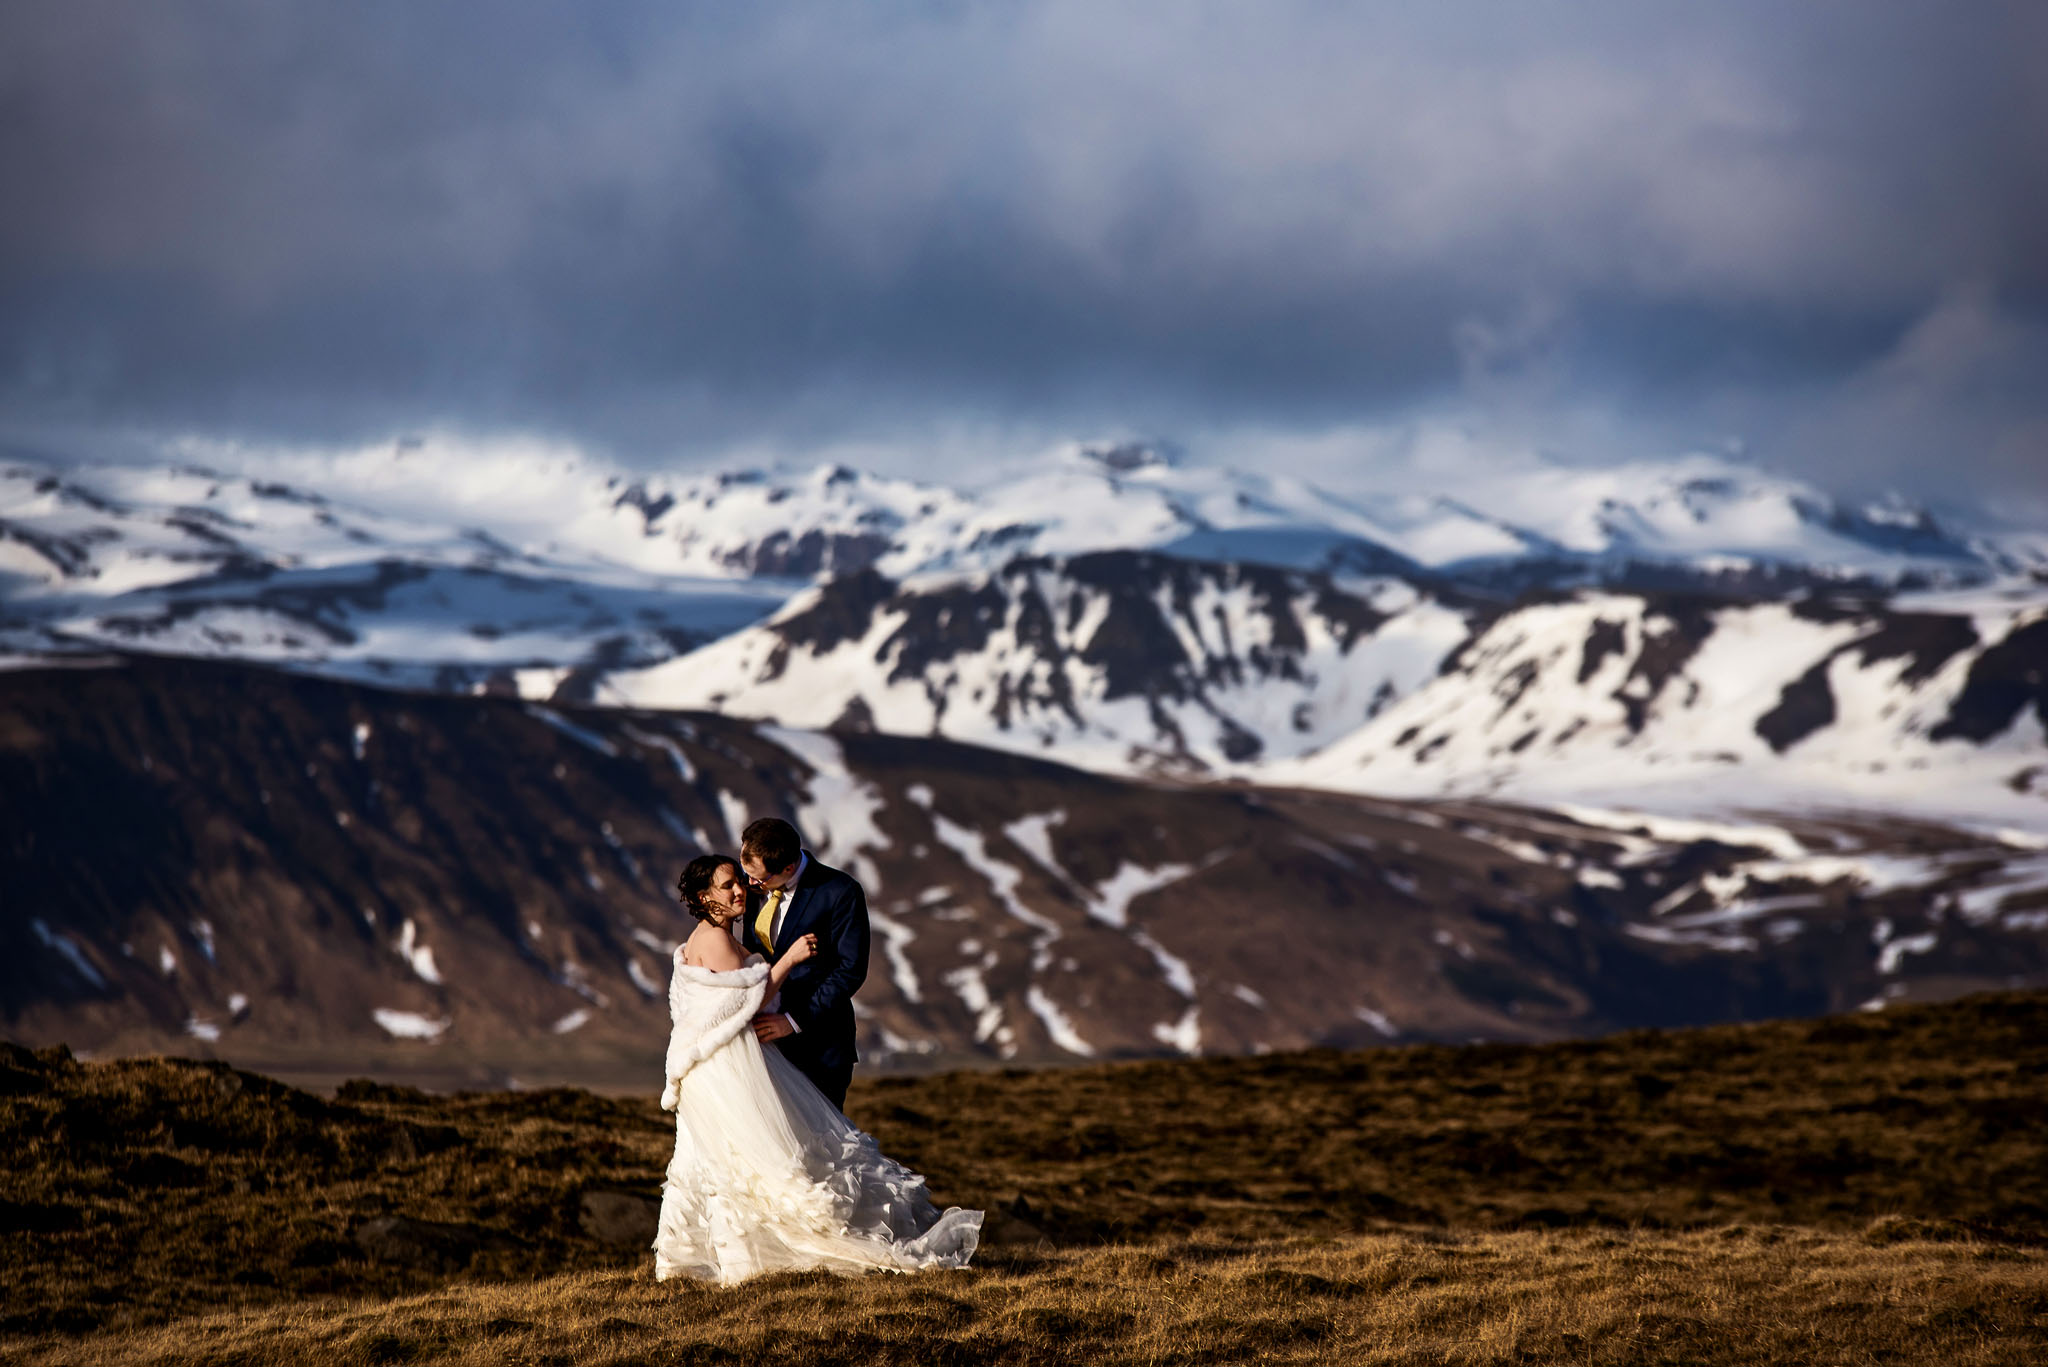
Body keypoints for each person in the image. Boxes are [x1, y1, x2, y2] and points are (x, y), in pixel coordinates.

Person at [652, 852, 981, 1284]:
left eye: (739, 882)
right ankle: (758, 1258)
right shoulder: (714, 940)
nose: (740, 891)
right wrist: (788, 960)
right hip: (728, 1070)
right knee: (759, 1158)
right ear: (704, 896)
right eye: (727, 885)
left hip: (716, 1066)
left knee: (724, 1161)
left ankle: (728, 1262)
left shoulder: (713, 936)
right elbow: (744, 1002)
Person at [735, 817, 870, 1111]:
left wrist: (793, 1022)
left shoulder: (840, 892)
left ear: (788, 868)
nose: (748, 884)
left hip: (819, 1047)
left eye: (758, 879)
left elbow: (851, 970)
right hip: (760, 1046)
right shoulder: (752, 886)